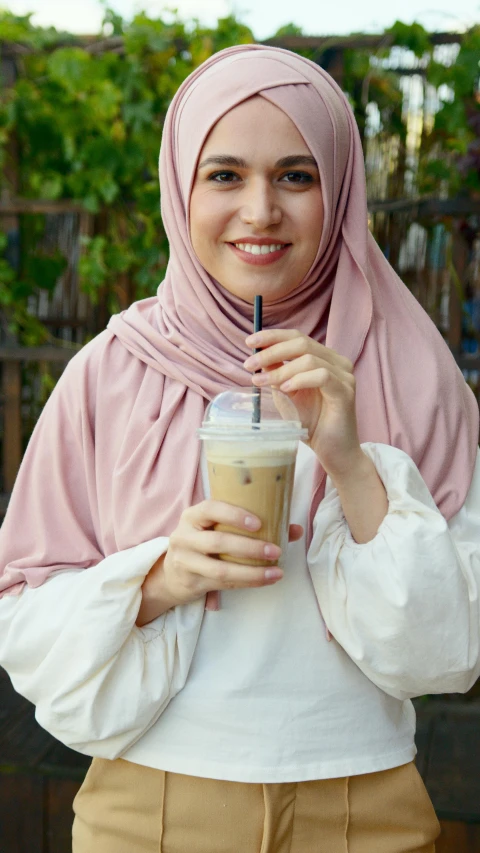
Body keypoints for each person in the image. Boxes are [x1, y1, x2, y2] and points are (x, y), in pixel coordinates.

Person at [0, 43, 479, 853]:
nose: (261, 210)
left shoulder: (409, 370)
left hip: (368, 809)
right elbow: (22, 612)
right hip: (147, 808)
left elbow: (457, 645)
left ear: (340, 189)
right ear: (180, 188)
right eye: (224, 175)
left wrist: (350, 460)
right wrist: (162, 577)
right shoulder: (108, 374)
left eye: (297, 175)